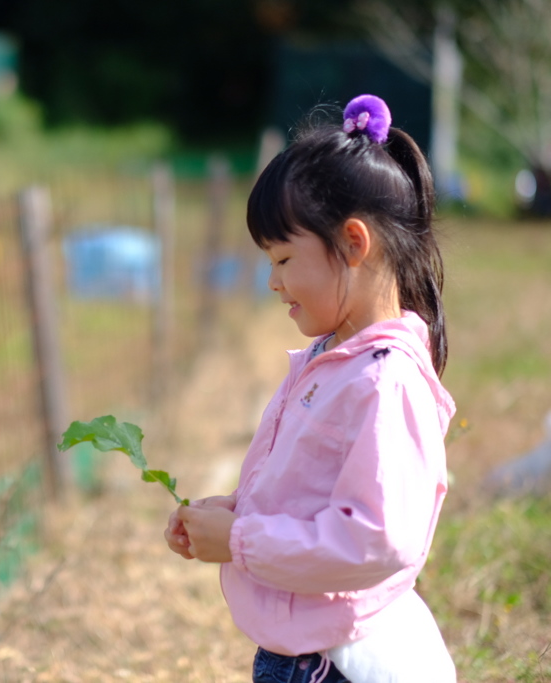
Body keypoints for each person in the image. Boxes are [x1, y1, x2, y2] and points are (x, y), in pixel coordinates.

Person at [164, 94, 457, 683]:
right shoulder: (334, 359)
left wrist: (243, 540)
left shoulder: (383, 381)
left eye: (283, 259)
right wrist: (236, 512)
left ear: (353, 243)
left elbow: (378, 539)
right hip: (302, 655)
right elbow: (316, 494)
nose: (272, 281)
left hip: (330, 665)